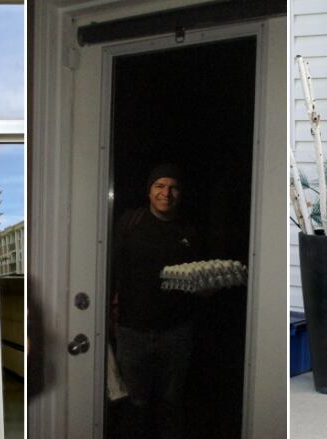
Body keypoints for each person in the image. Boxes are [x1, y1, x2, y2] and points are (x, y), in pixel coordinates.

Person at [111, 163, 199, 439]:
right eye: (159, 186)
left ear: (180, 194)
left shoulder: (189, 231)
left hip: (176, 330)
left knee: (171, 403)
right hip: (132, 329)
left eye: (173, 187)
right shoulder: (130, 223)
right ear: (149, 191)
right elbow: (109, 269)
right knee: (135, 402)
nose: (166, 193)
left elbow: (202, 276)